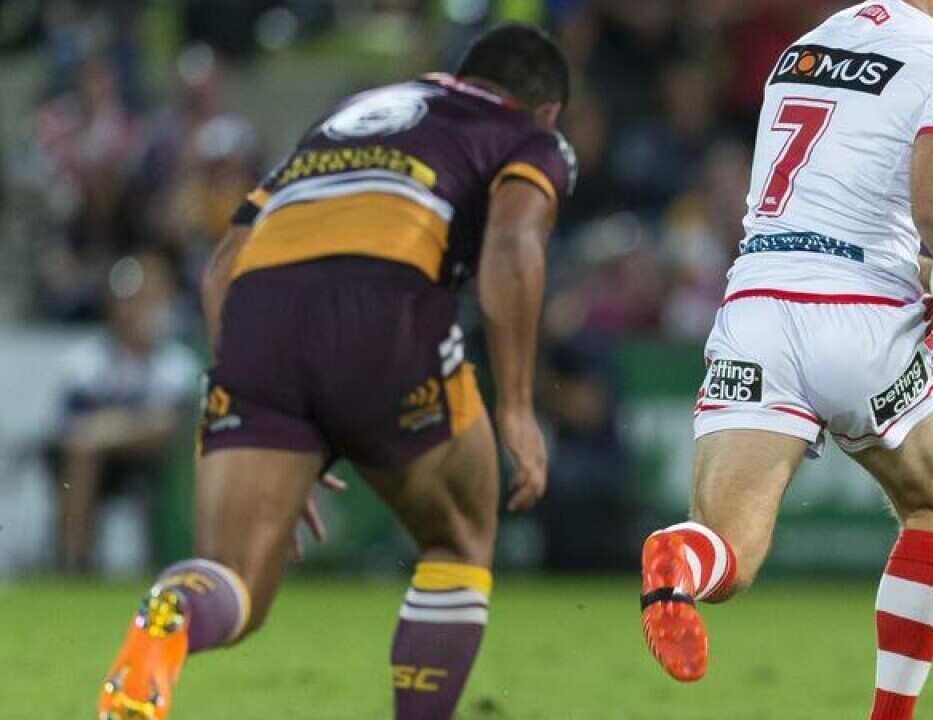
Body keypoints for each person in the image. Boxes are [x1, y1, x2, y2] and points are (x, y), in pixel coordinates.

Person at [97, 23, 575, 720]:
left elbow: (224, 265)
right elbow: (513, 245)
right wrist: (518, 406)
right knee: (460, 533)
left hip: (257, 321)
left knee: (234, 579)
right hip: (383, 304)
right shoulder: (528, 135)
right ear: (549, 109)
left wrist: (271, 411)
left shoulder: (348, 119)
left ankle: (172, 613)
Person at [637, 3, 933, 719]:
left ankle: (677, 562)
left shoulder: (805, 50)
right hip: (866, 322)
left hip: (759, 306)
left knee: (728, 550)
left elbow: (829, 212)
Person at [51, 254, 198, 572]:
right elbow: (68, 427)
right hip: (99, 464)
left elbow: (171, 424)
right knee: (81, 449)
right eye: (128, 302)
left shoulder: (175, 362)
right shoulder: (86, 360)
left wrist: (112, 427)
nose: (134, 312)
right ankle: (73, 561)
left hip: (157, 463)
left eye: (145, 301)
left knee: (93, 441)